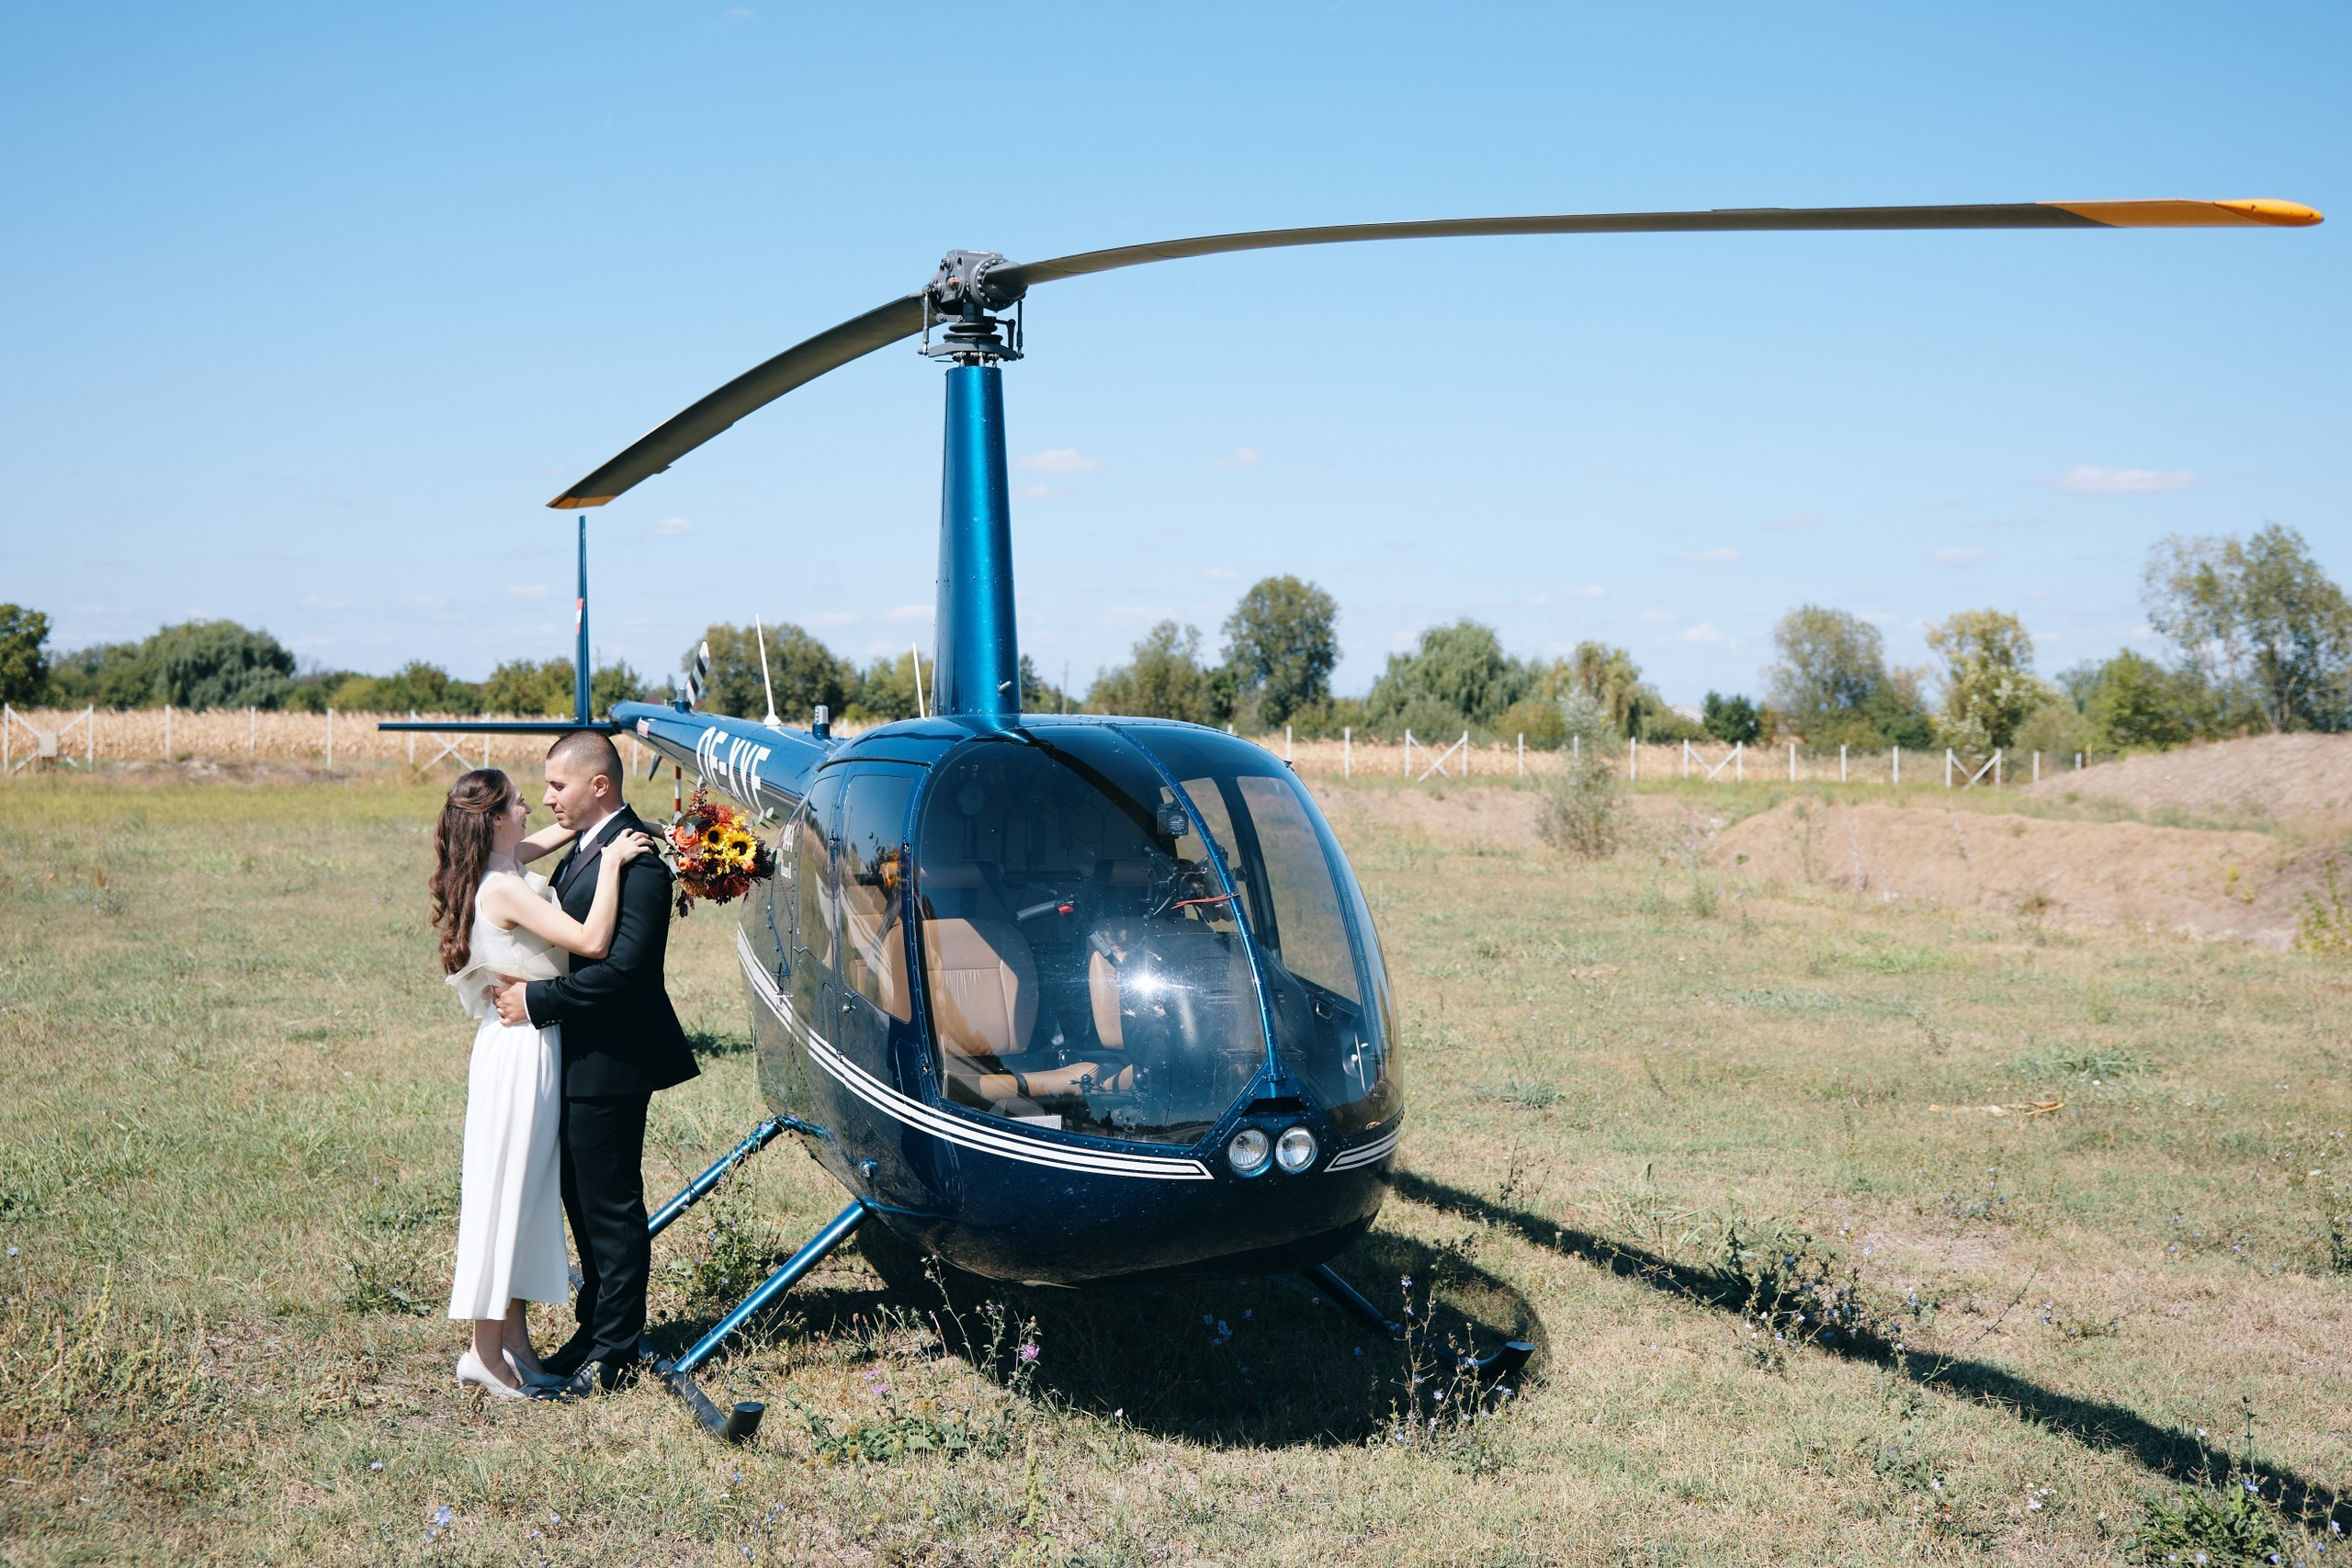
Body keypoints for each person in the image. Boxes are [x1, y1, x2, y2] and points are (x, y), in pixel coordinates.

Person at [427, 766, 656, 1398]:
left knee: (526, 1199)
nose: (537, 805)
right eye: (523, 800)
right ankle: (484, 1352)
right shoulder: (502, 884)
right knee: (506, 1195)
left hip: (529, 1043)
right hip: (521, 1047)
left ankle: (514, 1346)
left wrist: (629, 824)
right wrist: (611, 865)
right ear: (497, 819)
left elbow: (559, 830)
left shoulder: (498, 860)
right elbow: (590, 937)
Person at [492, 730, 698, 1396]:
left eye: (557, 784)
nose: (548, 795)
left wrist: (535, 1001)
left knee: (609, 1206)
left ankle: (613, 1353)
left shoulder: (638, 863)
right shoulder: (590, 847)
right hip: (575, 1059)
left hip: (612, 1061)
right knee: (580, 1201)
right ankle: (598, 1326)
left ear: (599, 785)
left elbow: (625, 974)